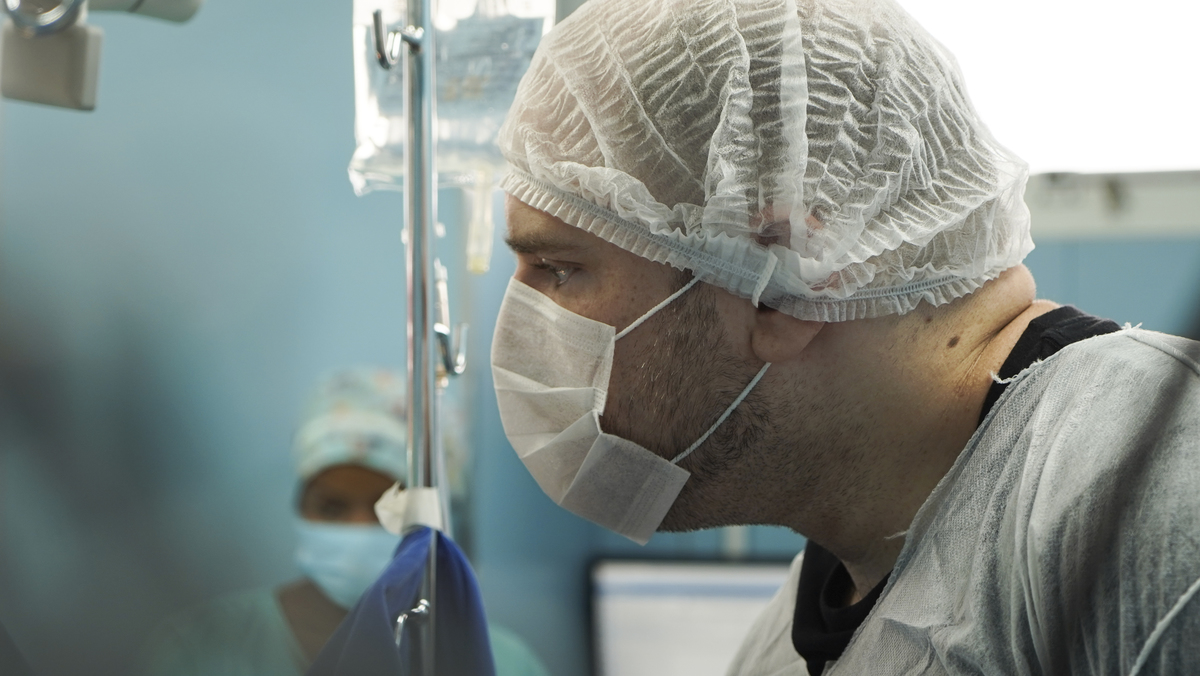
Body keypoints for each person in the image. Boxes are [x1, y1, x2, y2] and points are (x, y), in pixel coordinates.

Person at [488, 0, 1200, 674]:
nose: (519, 327)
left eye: (559, 269)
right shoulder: (799, 627)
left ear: (780, 280)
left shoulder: (1146, 489)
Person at [140, 368, 550, 676]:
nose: (357, 528)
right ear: (300, 506)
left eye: (387, 509)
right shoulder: (205, 649)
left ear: (437, 514)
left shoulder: (504, 664)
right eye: (332, 508)